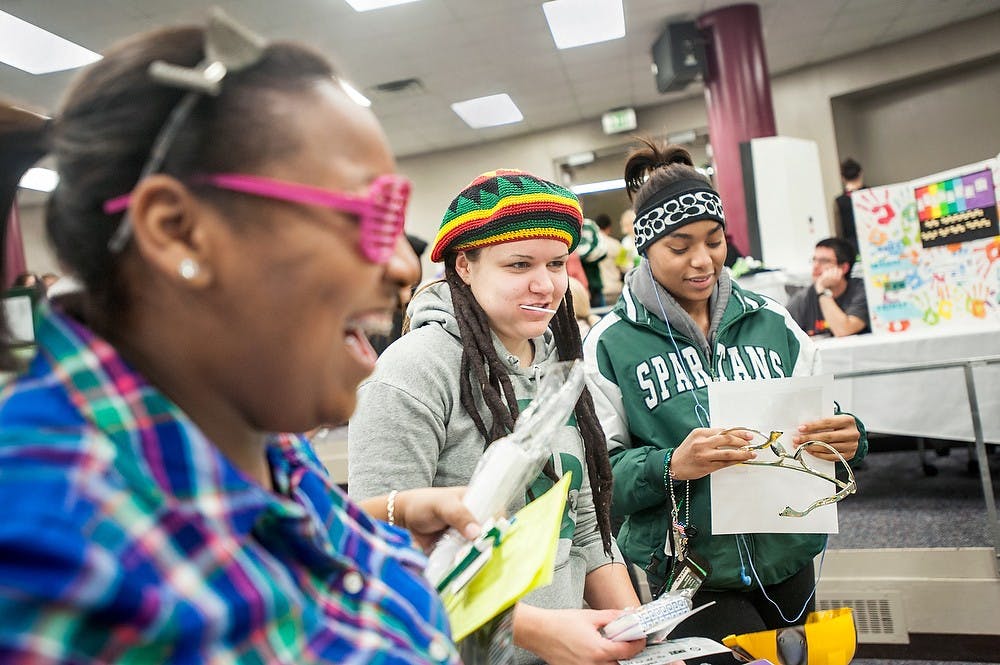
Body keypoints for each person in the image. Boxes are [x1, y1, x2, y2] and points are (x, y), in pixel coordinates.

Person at [0, 12, 480, 663]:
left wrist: (389, 521)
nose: (403, 264)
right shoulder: (50, 563)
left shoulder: (256, 435)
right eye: (370, 215)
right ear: (178, 230)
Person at [348, 169, 645, 665]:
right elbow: (377, 552)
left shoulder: (561, 365)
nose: (545, 284)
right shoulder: (412, 372)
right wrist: (537, 631)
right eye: (519, 264)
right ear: (465, 265)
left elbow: (589, 529)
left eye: (556, 264)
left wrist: (641, 638)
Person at [582, 139, 868, 651]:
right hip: (693, 570)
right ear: (646, 248)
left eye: (714, 241)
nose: (702, 262)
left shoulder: (771, 320)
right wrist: (672, 463)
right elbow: (597, 481)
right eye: (679, 247)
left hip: (789, 550)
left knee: (798, 655)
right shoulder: (610, 344)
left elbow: (824, 421)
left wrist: (849, 437)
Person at [786, 237, 870, 337]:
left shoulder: (862, 290)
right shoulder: (803, 297)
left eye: (823, 261)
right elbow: (779, 333)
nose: (815, 266)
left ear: (844, 268)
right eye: (814, 260)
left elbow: (843, 331)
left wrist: (822, 290)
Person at [833, 158, 864, 250]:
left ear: (843, 177)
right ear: (860, 173)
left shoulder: (839, 201)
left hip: (851, 246)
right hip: (875, 240)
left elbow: (839, 230)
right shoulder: (871, 194)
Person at [595, 213, 625, 303]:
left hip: (600, 291)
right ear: (609, 228)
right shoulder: (617, 244)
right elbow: (624, 267)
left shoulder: (591, 247)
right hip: (616, 289)